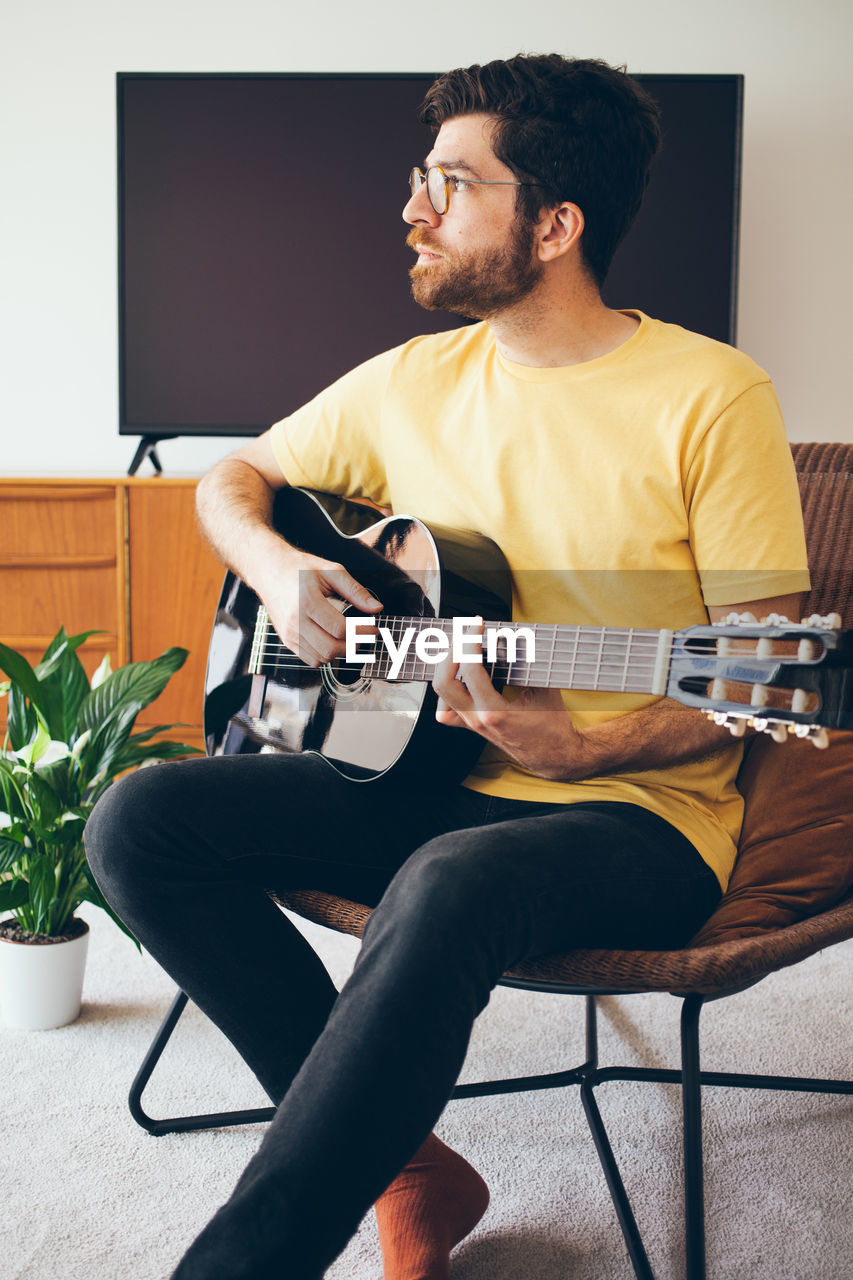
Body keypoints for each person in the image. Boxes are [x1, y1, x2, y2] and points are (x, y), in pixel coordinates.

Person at [85, 53, 810, 1280]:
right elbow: (231, 477)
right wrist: (274, 569)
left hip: (636, 818)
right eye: (422, 178)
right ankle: (405, 1162)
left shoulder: (709, 394)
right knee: (139, 818)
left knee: (447, 878)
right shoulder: (414, 377)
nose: (411, 208)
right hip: (434, 771)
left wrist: (581, 744)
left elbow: (769, 674)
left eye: (450, 183)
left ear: (554, 223)